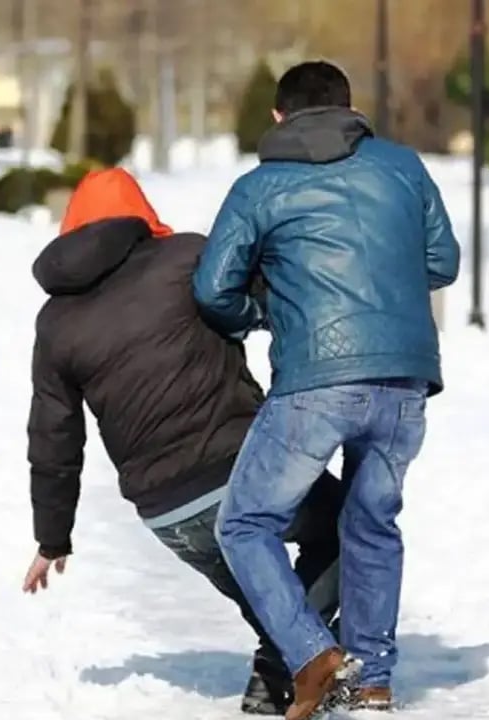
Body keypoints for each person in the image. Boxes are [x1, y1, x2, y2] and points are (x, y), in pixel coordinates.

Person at [22, 167, 345, 715]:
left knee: (272, 602)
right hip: (244, 469)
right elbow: (273, 296)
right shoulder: (187, 258)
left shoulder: (54, 322)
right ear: (141, 215)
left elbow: (53, 437)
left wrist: (52, 538)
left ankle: (281, 675)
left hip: (166, 511)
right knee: (348, 526)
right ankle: (282, 666)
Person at [192, 61, 460, 720]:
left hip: (314, 381)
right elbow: (442, 262)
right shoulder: (402, 167)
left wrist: (261, 313)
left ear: (279, 116)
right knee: (372, 523)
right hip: (404, 377)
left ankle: (312, 653)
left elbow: (211, 288)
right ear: (350, 108)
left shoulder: (258, 188)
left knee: (246, 522)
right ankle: (371, 683)